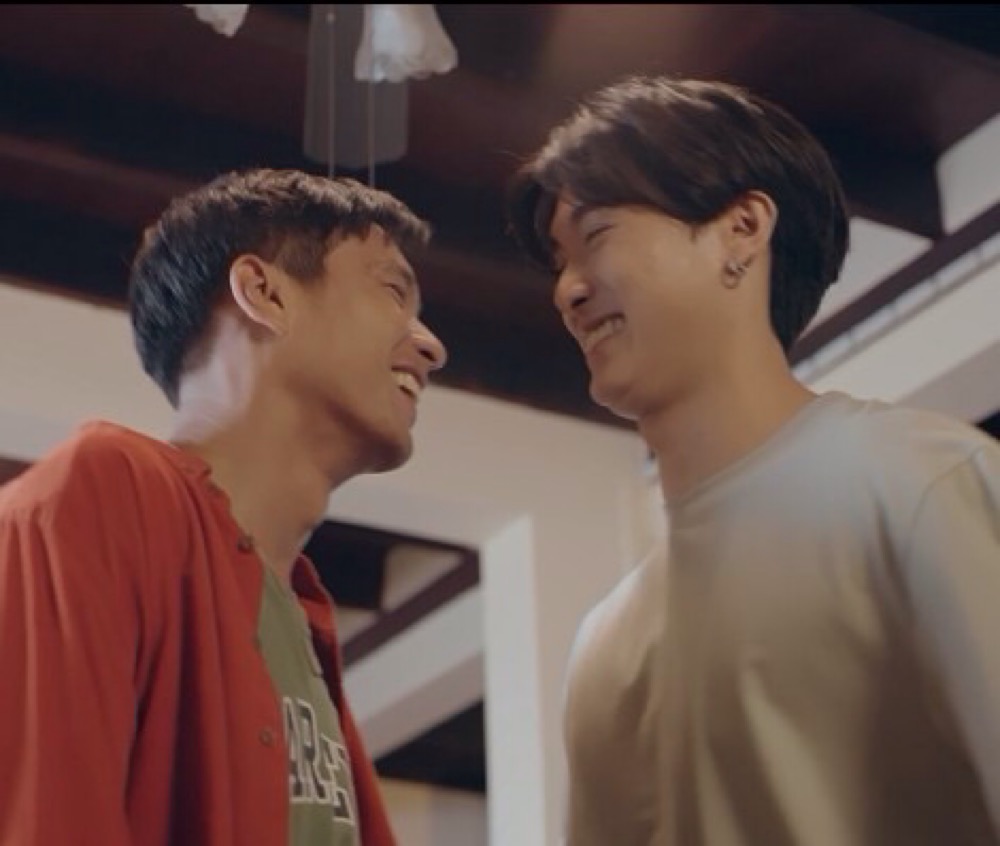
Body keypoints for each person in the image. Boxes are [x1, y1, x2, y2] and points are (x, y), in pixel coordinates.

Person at [507, 75, 1000, 845]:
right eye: (558, 263)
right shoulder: (604, 641)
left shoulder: (919, 484)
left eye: (596, 236)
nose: (567, 291)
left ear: (742, 229)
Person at [0, 168, 447, 846]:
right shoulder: (102, 493)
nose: (432, 346)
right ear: (264, 293)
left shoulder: (302, 614)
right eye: (392, 291)